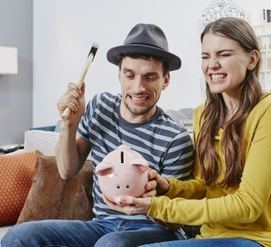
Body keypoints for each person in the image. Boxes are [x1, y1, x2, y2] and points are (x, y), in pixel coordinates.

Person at [106, 17, 271, 247]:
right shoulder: (204, 114)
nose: (212, 65)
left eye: (224, 55)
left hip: (262, 240)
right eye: (206, 56)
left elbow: (248, 206)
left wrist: (158, 206)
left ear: (252, 59)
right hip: (210, 237)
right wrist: (167, 186)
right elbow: (204, 186)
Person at [2, 23, 194, 247]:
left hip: (154, 229)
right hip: (103, 224)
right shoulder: (100, 108)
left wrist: (147, 202)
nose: (138, 87)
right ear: (119, 75)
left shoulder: (175, 138)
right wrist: (69, 124)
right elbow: (66, 170)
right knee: (19, 236)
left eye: (150, 77)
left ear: (165, 80)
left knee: (111, 244)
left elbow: (175, 222)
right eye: (129, 75)